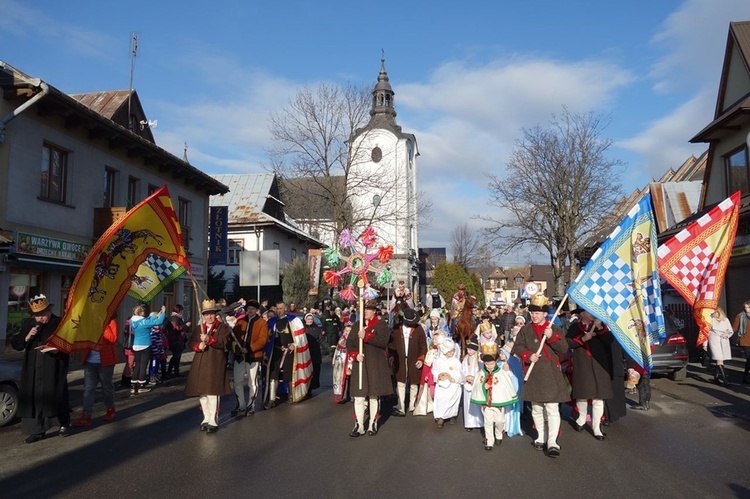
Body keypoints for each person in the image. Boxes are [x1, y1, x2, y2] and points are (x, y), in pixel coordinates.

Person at [511, 294, 569, 458]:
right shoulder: (526, 329)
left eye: (537, 313)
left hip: (550, 374)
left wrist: (551, 337)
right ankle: (540, 438)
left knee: (551, 409)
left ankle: (552, 441)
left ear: (545, 314)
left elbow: (564, 349)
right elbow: (517, 347)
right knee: (536, 409)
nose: (534, 316)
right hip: (533, 373)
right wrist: (528, 355)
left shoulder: (554, 329)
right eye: (532, 313)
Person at [12, 295, 70, 444]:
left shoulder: (59, 323)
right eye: (37, 316)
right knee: (34, 397)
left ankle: (63, 423)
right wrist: (26, 337)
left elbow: (68, 344)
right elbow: (16, 344)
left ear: (49, 311)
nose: (40, 319)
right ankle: (37, 430)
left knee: (55, 394)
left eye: (42, 315)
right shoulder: (29, 323)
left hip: (53, 365)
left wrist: (57, 350)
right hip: (33, 366)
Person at [566, 307, 614, 441]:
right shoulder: (575, 327)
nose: (593, 314)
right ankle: (581, 418)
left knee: (599, 396)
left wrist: (600, 328)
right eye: (589, 311)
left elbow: (609, 341)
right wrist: (582, 338)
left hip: (599, 365)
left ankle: (596, 427)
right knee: (582, 394)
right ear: (582, 314)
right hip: (582, 364)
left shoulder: (600, 325)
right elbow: (567, 343)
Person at [184, 299, 232, 433]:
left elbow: (224, 342)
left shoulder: (222, 327)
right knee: (202, 393)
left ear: (215, 314)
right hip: (200, 362)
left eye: (211, 314)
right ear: (203, 316)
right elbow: (192, 342)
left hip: (215, 363)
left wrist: (210, 340)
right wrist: (197, 345)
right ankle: (206, 418)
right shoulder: (199, 328)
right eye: (206, 314)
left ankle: (213, 420)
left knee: (212, 392)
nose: (209, 317)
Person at [346, 300, 393, 437]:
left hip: (375, 365)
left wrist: (366, 336)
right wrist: (355, 355)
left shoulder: (381, 325)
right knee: (359, 396)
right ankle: (359, 425)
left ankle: (373, 423)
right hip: (360, 365)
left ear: (374, 311)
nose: (365, 311)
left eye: (368, 309)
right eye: (363, 309)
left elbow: (383, 342)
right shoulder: (356, 326)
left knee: (373, 395)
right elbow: (350, 344)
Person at [72, 313, 119, 427]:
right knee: (88, 389)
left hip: (105, 362)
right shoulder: (90, 322)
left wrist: (103, 325)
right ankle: (86, 415)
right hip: (90, 361)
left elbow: (112, 338)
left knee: (106, 387)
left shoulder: (111, 322)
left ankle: (110, 409)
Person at [470, 342, 519, 450]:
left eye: (491, 364)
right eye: (487, 364)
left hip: (498, 404)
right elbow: (477, 385)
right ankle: (489, 441)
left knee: (499, 421)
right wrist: (484, 386)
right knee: (487, 421)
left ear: (496, 362)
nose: (489, 366)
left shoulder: (501, 373)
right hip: (486, 404)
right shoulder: (481, 373)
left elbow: (506, 386)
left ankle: (499, 434)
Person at [264, 301, 311, 408]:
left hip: (289, 352)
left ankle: (291, 395)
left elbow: (300, 337)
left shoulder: (294, 321)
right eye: (277, 308)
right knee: (273, 375)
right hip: (275, 352)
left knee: (289, 374)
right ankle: (272, 399)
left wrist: (295, 344)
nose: (279, 310)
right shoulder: (271, 322)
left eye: (281, 308)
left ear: (285, 308)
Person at [230, 299, 268, 417]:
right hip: (240, 356)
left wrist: (250, 348)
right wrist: (235, 347)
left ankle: (250, 405)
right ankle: (241, 405)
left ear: (257, 310)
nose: (250, 311)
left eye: (252, 309)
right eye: (248, 309)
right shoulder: (240, 322)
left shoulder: (262, 323)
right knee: (237, 381)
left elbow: (263, 340)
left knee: (252, 382)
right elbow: (233, 338)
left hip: (253, 356)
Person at [389, 308, 427, 417]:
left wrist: (421, 359)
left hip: (414, 358)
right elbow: (390, 344)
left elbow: (423, 346)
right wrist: (392, 356)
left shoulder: (419, 329)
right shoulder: (396, 329)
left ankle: (412, 405)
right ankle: (400, 405)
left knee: (414, 382)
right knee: (400, 382)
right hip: (400, 359)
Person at [129, 303, 166, 394]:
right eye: (143, 311)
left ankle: (134, 386)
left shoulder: (133, 321)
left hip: (136, 345)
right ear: (140, 312)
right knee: (143, 366)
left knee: (137, 364)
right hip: (145, 344)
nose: (144, 312)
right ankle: (141, 385)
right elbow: (158, 322)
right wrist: (163, 313)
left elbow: (148, 320)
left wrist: (156, 315)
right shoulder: (144, 322)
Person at [432, 338, 463, 428]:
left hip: (453, 385)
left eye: (453, 351)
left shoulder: (456, 361)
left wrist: (454, 378)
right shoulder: (438, 361)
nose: (452, 353)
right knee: (441, 399)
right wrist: (439, 376)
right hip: (442, 385)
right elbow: (435, 370)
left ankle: (452, 415)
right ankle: (440, 417)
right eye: (449, 352)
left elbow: (460, 372)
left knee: (452, 400)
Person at [460, 338, 483, 432]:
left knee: (477, 403)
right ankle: (469, 423)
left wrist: (475, 379)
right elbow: (462, 370)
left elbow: (481, 372)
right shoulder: (466, 359)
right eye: (467, 349)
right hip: (468, 384)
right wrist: (465, 377)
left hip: (476, 384)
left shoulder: (480, 359)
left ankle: (480, 422)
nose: (468, 351)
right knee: (468, 403)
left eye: (471, 349)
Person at [708, 307, 734, 386]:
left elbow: (730, 330)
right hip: (714, 341)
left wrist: (727, 335)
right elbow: (706, 332)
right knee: (719, 359)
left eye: (716, 312)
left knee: (720, 360)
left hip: (724, 340)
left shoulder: (725, 320)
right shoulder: (710, 320)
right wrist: (705, 344)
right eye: (713, 312)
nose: (714, 314)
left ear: (719, 312)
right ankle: (725, 380)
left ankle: (716, 378)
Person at [165, 304, 191, 378]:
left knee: (178, 356)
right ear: (178, 310)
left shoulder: (177, 318)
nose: (182, 312)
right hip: (176, 339)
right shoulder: (175, 318)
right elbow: (176, 328)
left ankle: (176, 372)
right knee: (175, 356)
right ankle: (169, 371)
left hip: (178, 339)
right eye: (181, 310)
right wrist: (186, 325)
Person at [333, 321, 353, 404]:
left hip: (351, 361)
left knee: (351, 379)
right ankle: (342, 396)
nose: (348, 333)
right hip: (341, 362)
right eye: (346, 331)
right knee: (341, 378)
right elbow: (341, 346)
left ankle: (351, 395)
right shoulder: (342, 339)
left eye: (349, 331)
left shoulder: (354, 339)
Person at [303, 312, 324, 394]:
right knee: (306, 372)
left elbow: (322, 340)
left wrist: (330, 350)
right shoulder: (302, 329)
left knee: (315, 371)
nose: (310, 321)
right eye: (308, 319)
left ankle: (311, 387)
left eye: (311, 319)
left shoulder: (317, 329)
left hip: (315, 353)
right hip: (306, 353)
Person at [733, 300, 750, 384]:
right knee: (749, 358)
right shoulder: (740, 316)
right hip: (745, 340)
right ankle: (746, 375)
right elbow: (735, 328)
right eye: (745, 307)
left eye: (748, 307)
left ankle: (746, 374)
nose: (746, 309)